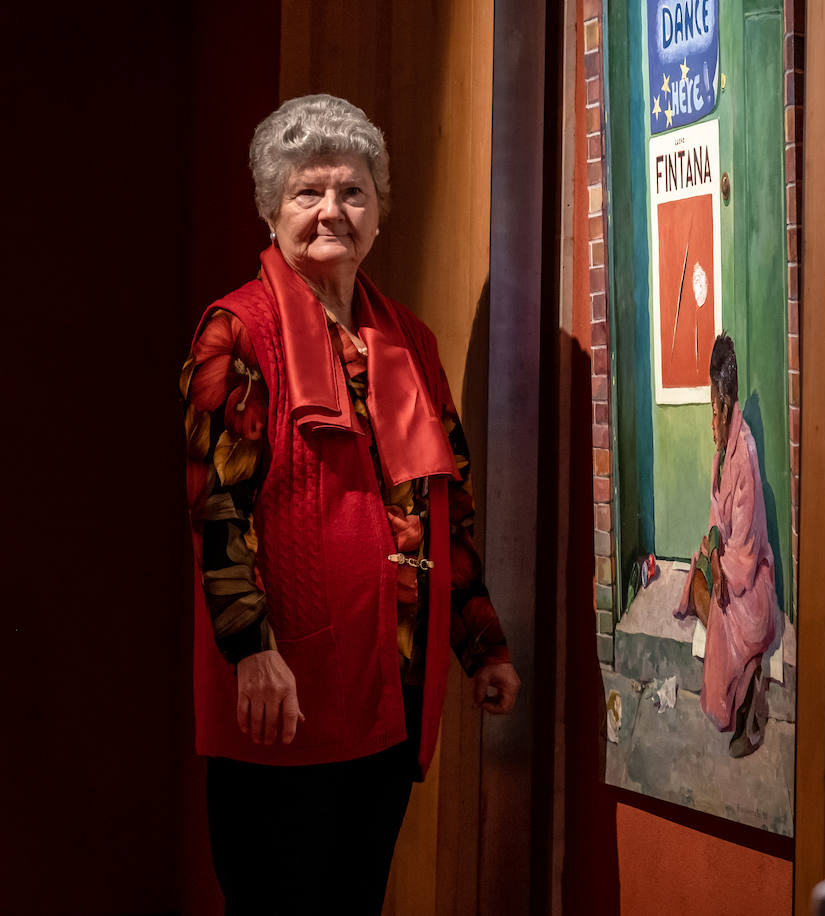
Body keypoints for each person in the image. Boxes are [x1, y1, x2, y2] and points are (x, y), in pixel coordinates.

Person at [180, 94, 520, 914]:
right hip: (282, 691)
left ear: (378, 211)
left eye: (353, 191)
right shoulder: (236, 331)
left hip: (390, 693)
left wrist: (482, 645)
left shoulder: (409, 339)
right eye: (308, 191)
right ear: (271, 208)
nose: (332, 210)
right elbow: (216, 507)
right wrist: (251, 651)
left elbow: (448, 506)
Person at [674, 335, 781, 757]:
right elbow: (718, 519)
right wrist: (710, 547)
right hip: (728, 568)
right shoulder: (722, 452)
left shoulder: (745, 453)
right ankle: (745, 671)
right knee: (695, 578)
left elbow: (747, 553)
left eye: (712, 412)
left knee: (720, 614)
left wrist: (720, 562)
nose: (710, 421)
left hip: (751, 586)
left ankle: (748, 685)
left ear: (724, 407)